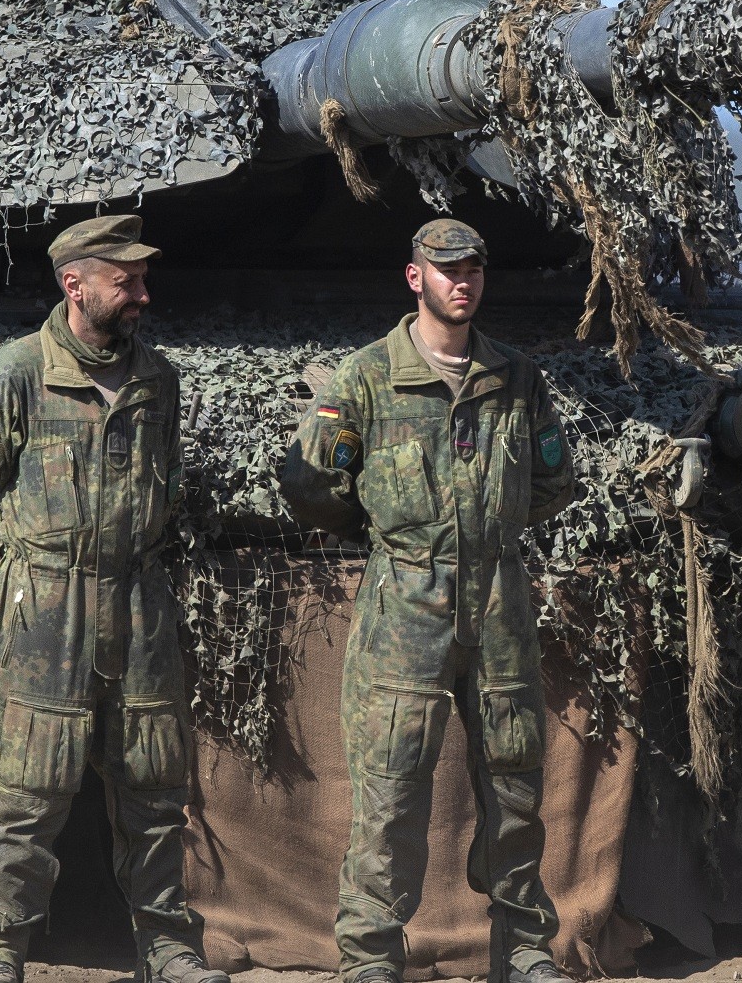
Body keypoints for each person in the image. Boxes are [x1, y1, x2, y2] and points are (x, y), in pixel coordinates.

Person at [278, 218, 577, 983]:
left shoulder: (516, 377)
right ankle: (372, 956)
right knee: (392, 785)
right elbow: (310, 485)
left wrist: (485, 533)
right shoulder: (368, 379)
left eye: (473, 268)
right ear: (415, 278)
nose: (461, 281)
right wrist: (395, 537)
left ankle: (522, 949)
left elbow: (552, 482)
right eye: (445, 269)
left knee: (513, 782)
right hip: (405, 600)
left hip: (498, 599)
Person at [0, 215, 227, 983]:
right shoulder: (15, 375)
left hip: (136, 604)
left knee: (153, 782)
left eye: (140, 279)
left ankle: (166, 947)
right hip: (44, 607)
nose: (141, 293)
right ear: (76, 284)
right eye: (125, 280)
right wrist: (22, 581)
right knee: (24, 784)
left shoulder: (155, 380)